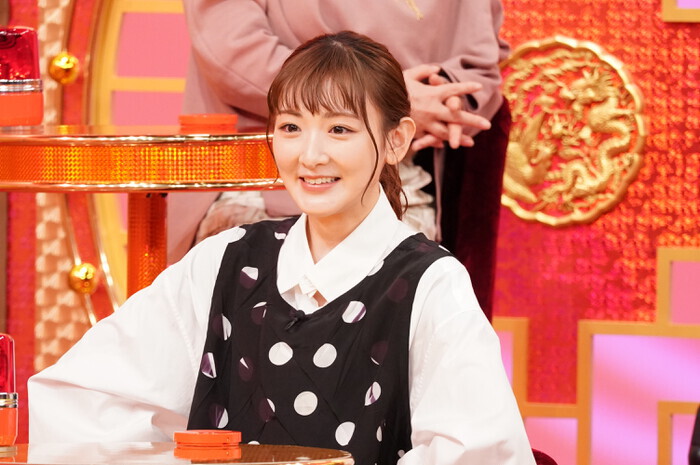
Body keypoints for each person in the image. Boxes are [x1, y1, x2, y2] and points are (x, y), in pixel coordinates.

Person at [28, 32, 533, 464]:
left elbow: (478, 451)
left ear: (396, 140)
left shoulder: (431, 284)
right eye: (291, 127)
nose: (309, 156)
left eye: (339, 129)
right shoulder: (226, 260)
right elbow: (82, 398)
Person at [169, 0, 512, 320]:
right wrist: (385, 100)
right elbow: (233, 49)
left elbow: (478, 63)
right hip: (260, 181)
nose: (315, 155)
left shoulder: (431, 269)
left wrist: (444, 100)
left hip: (402, 184)